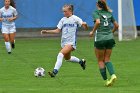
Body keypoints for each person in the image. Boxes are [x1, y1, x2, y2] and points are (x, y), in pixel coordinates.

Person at [41, 4, 88, 77]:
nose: (64, 13)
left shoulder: (76, 18)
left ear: (70, 11)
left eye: (65, 11)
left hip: (71, 43)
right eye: (63, 11)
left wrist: (85, 25)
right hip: (64, 43)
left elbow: (85, 28)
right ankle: (81, 62)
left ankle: (54, 72)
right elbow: (57, 31)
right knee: (68, 58)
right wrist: (46, 31)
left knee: (60, 55)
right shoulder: (63, 20)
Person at [89, 0, 119, 86]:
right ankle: (113, 75)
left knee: (100, 60)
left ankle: (106, 81)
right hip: (110, 38)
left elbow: (98, 22)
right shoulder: (109, 13)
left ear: (97, 4)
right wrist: (111, 33)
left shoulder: (96, 12)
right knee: (107, 59)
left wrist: (92, 31)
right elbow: (117, 26)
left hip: (100, 39)